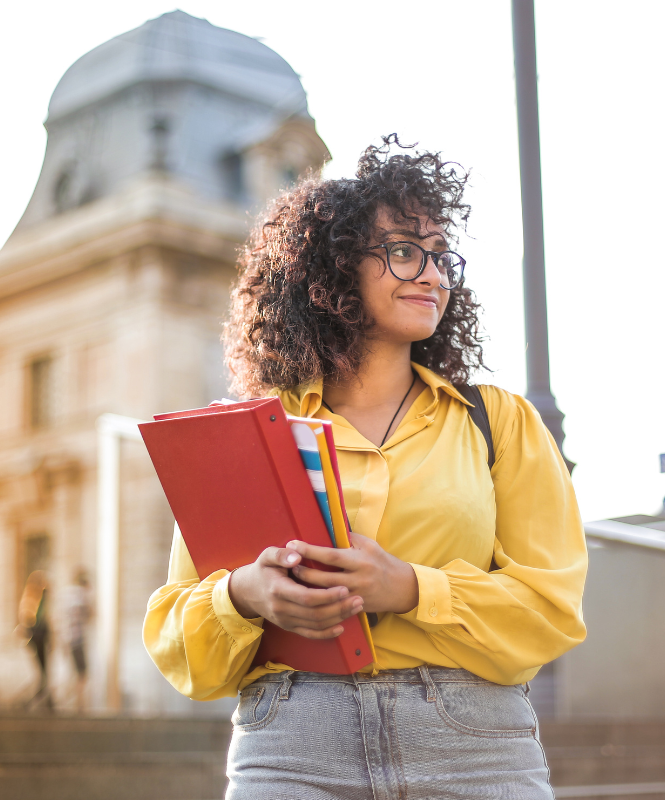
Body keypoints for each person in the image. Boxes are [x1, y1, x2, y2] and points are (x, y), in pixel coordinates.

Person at [143, 135, 588, 799]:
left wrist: (410, 587)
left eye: (441, 257)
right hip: (291, 741)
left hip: (473, 744)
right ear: (333, 268)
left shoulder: (499, 422)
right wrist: (244, 595)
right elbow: (182, 642)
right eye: (406, 251)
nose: (433, 275)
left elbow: (551, 611)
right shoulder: (252, 437)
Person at [18, 570, 52, 711]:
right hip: (36, 636)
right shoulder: (31, 599)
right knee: (41, 670)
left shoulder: (41, 598)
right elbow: (27, 618)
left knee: (44, 670)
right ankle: (43, 699)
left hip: (41, 637)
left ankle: (47, 700)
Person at [60, 567, 93, 713]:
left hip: (66, 638)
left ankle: (74, 702)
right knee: (82, 673)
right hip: (77, 639)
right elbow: (89, 614)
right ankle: (78, 704)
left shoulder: (67, 595)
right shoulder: (81, 595)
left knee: (74, 672)